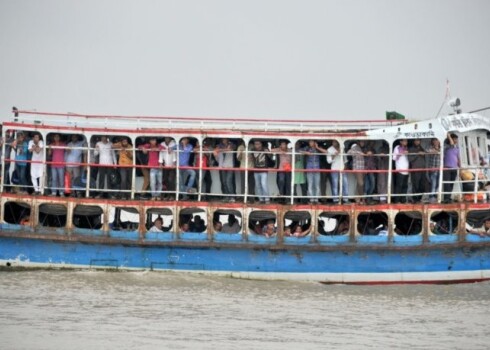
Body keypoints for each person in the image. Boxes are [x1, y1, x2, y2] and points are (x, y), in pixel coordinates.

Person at [443, 133, 460, 203]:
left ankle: (449, 197)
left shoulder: (457, 147)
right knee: (447, 183)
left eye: (456, 139)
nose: (456, 140)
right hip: (447, 167)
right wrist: (449, 136)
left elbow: (458, 157)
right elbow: (451, 144)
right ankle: (446, 198)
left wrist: (460, 166)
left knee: (451, 183)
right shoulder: (447, 146)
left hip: (454, 167)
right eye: (455, 139)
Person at [408, 138, 427, 203]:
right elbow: (410, 159)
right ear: (414, 141)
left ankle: (419, 198)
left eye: (418, 140)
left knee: (422, 185)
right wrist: (417, 154)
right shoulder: (411, 149)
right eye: (416, 140)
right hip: (415, 169)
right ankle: (415, 199)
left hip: (423, 169)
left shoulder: (422, 148)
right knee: (415, 185)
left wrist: (423, 153)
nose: (417, 142)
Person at [392, 139, 409, 203]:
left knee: (405, 186)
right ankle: (397, 200)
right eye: (404, 141)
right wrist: (401, 153)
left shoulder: (406, 148)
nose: (406, 142)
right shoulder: (397, 147)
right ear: (400, 142)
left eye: (406, 141)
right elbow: (394, 158)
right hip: (400, 169)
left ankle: (403, 200)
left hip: (406, 170)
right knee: (399, 186)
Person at [426, 138, 441, 203]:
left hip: (439, 168)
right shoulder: (430, 147)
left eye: (437, 140)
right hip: (432, 168)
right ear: (432, 141)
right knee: (433, 183)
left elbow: (441, 152)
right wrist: (435, 151)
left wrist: (436, 150)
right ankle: (432, 197)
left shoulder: (442, 147)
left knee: (438, 183)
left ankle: (435, 195)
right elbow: (428, 151)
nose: (436, 142)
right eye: (434, 141)